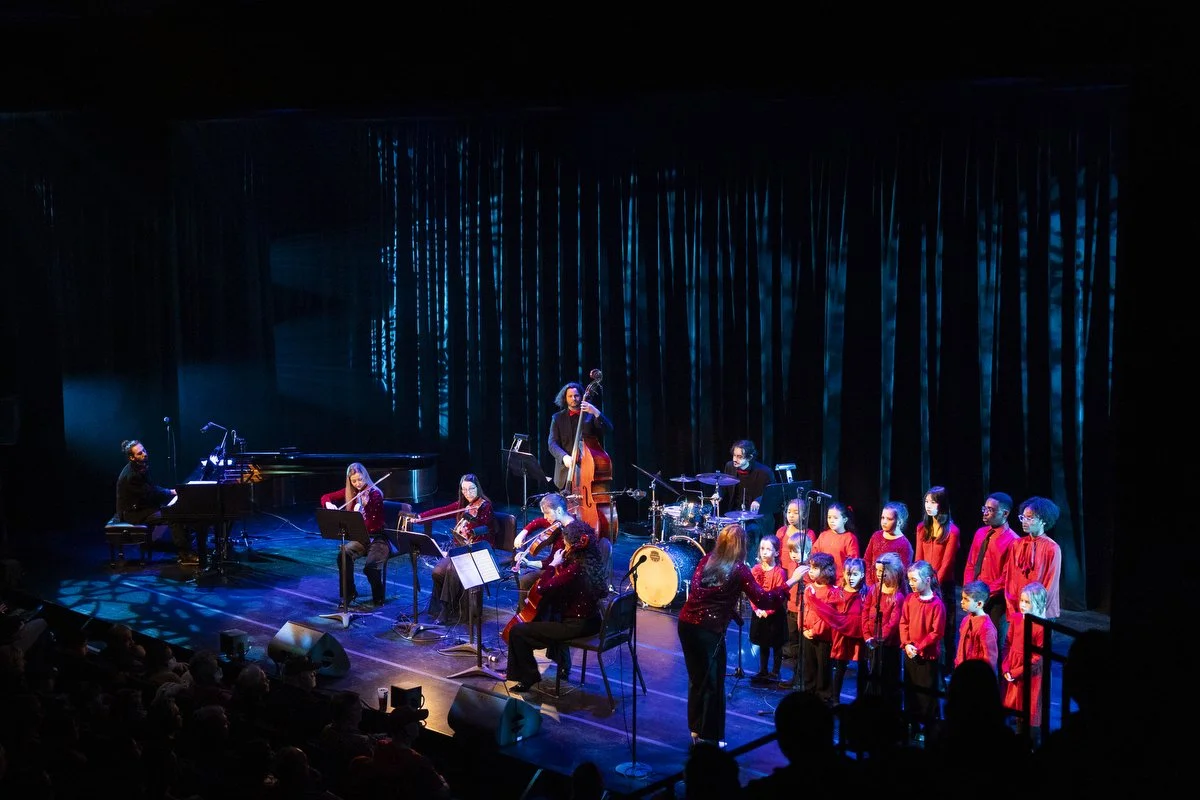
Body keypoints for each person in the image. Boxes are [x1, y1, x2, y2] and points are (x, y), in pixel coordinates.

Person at [677, 523, 804, 747]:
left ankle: (696, 730)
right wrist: (791, 582)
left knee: (697, 680)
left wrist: (727, 608)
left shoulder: (707, 560)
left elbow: (702, 592)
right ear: (742, 545)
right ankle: (710, 737)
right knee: (714, 683)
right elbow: (763, 599)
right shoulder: (739, 569)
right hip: (709, 631)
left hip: (687, 625)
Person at [504, 493, 609, 693]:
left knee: (520, 630)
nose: (564, 547)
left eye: (566, 544)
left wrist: (553, 566)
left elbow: (545, 587)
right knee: (546, 612)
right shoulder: (588, 560)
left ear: (572, 545)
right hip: (592, 618)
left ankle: (528, 676)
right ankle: (555, 663)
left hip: (577, 623)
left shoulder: (574, 568)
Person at [415, 474, 495, 625]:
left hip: (477, 550)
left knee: (452, 569)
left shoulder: (485, 506)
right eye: (464, 489)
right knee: (438, 572)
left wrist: (473, 524)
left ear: (477, 488)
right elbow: (441, 511)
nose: (468, 493)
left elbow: (486, 528)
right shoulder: (462, 505)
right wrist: (421, 517)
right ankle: (446, 606)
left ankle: (445, 609)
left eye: (471, 489)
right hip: (459, 549)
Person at [114, 438, 199, 566]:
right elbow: (150, 493)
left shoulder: (140, 466)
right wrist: (170, 493)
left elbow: (151, 488)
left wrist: (170, 493)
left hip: (143, 507)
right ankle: (184, 555)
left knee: (177, 512)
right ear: (132, 458)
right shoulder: (132, 476)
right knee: (174, 516)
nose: (144, 454)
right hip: (134, 513)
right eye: (140, 453)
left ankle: (188, 545)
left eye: (144, 450)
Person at [320, 463, 388, 609]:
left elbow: (374, 523)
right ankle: (348, 594)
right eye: (354, 481)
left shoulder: (374, 494)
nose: (358, 484)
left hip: (378, 538)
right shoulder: (351, 492)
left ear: (365, 477)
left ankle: (379, 596)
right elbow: (326, 496)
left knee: (370, 567)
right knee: (343, 554)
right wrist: (328, 504)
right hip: (362, 538)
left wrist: (364, 510)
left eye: (360, 480)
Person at [964, 492, 1021, 655]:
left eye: (990, 510)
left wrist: (983, 594)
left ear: (1005, 513)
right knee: (972, 640)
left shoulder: (1013, 540)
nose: (985, 513)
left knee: (993, 644)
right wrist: (969, 589)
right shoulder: (980, 533)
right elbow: (971, 564)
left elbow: (1007, 577)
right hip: (976, 597)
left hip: (996, 600)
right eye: (985, 508)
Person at [915, 486, 960, 677]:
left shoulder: (952, 531)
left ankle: (947, 668)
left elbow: (947, 564)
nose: (928, 506)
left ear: (942, 505)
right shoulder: (921, 528)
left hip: (943, 587)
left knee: (946, 629)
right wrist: (917, 580)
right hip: (923, 584)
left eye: (933, 502)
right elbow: (918, 558)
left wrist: (933, 586)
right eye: (926, 501)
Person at [900, 559, 947, 739]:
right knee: (910, 690)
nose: (911, 584)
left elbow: (936, 633)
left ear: (927, 580)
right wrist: (906, 644)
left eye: (914, 580)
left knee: (926, 693)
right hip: (910, 653)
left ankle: (926, 727)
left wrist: (918, 647)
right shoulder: (910, 599)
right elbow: (903, 622)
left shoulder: (937, 605)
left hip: (927, 656)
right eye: (909, 580)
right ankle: (912, 724)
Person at [1002, 580, 1048, 741]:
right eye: (1021, 600)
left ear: (1037, 603)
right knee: (1013, 708)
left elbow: (1037, 658)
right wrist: (1006, 667)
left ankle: (1030, 741)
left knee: (1028, 709)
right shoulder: (1016, 619)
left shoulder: (1041, 626)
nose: (1022, 604)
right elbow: (1007, 643)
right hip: (1013, 670)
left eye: (1027, 602)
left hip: (1030, 674)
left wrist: (1016, 671)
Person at [1004, 496, 1063, 622]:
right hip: (1019, 608)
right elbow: (1010, 579)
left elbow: (1050, 584)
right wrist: (1012, 607)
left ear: (1043, 520)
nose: (1024, 521)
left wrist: (1036, 610)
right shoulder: (1017, 544)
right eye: (1023, 517)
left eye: (1029, 518)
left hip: (1040, 612)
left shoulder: (1052, 548)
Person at [547, 381, 612, 491]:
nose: (573, 398)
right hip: (565, 474)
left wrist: (596, 412)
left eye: (576, 395)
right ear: (565, 398)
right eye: (570, 396)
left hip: (589, 471)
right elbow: (552, 443)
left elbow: (608, 429)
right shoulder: (557, 418)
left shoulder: (590, 415)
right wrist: (564, 457)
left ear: (582, 396)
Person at [861, 552, 907, 708]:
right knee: (873, 674)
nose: (879, 575)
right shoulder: (874, 590)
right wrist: (867, 636)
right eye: (878, 571)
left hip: (888, 646)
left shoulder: (898, 597)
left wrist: (879, 639)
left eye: (883, 572)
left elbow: (893, 623)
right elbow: (865, 612)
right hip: (872, 643)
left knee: (887, 677)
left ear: (893, 573)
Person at [748, 536, 788, 685]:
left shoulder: (779, 572)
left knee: (776, 644)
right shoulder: (756, 569)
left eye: (768, 549)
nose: (764, 552)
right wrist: (756, 609)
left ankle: (775, 672)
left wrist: (768, 611)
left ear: (776, 552)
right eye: (762, 549)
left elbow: (780, 596)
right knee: (763, 642)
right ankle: (763, 670)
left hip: (774, 614)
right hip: (759, 612)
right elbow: (751, 591)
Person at [716, 440, 772, 547]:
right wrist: (718, 494)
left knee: (750, 533)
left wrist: (759, 500)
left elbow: (772, 495)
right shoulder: (730, 467)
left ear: (750, 457)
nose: (734, 459)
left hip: (757, 519)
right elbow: (723, 486)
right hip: (735, 515)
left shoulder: (764, 472)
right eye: (734, 455)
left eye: (739, 456)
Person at [863, 501, 913, 585]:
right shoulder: (876, 536)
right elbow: (867, 560)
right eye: (883, 518)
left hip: (890, 587)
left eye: (889, 519)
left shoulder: (904, 544)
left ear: (899, 522)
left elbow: (903, 574)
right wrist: (870, 584)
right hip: (872, 586)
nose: (884, 522)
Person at [955, 580, 999, 673]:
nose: (962, 602)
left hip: (975, 675)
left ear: (979, 604)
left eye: (966, 599)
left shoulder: (986, 628)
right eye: (962, 598)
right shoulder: (966, 620)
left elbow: (990, 659)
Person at [812, 501, 860, 584]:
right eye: (829, 517)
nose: (831, 521)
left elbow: (853, 562)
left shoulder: (849, 538)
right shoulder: (823, 535)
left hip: (840, 582)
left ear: (844, 519)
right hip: (822, 580)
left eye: (835, 518)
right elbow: (814, 555)